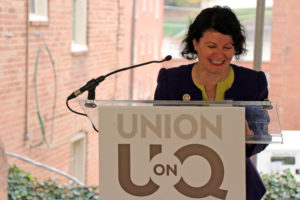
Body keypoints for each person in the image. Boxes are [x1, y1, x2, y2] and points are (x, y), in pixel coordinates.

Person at [154, 6, 268, 200]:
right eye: (212, 46)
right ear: (196, 43)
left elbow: (262, 136)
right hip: (179, 182)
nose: (220, 54)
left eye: (228, 47)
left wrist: (249, 138)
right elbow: (155, 133)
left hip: (237, 185)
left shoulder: (253, 81)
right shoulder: (171, 80)